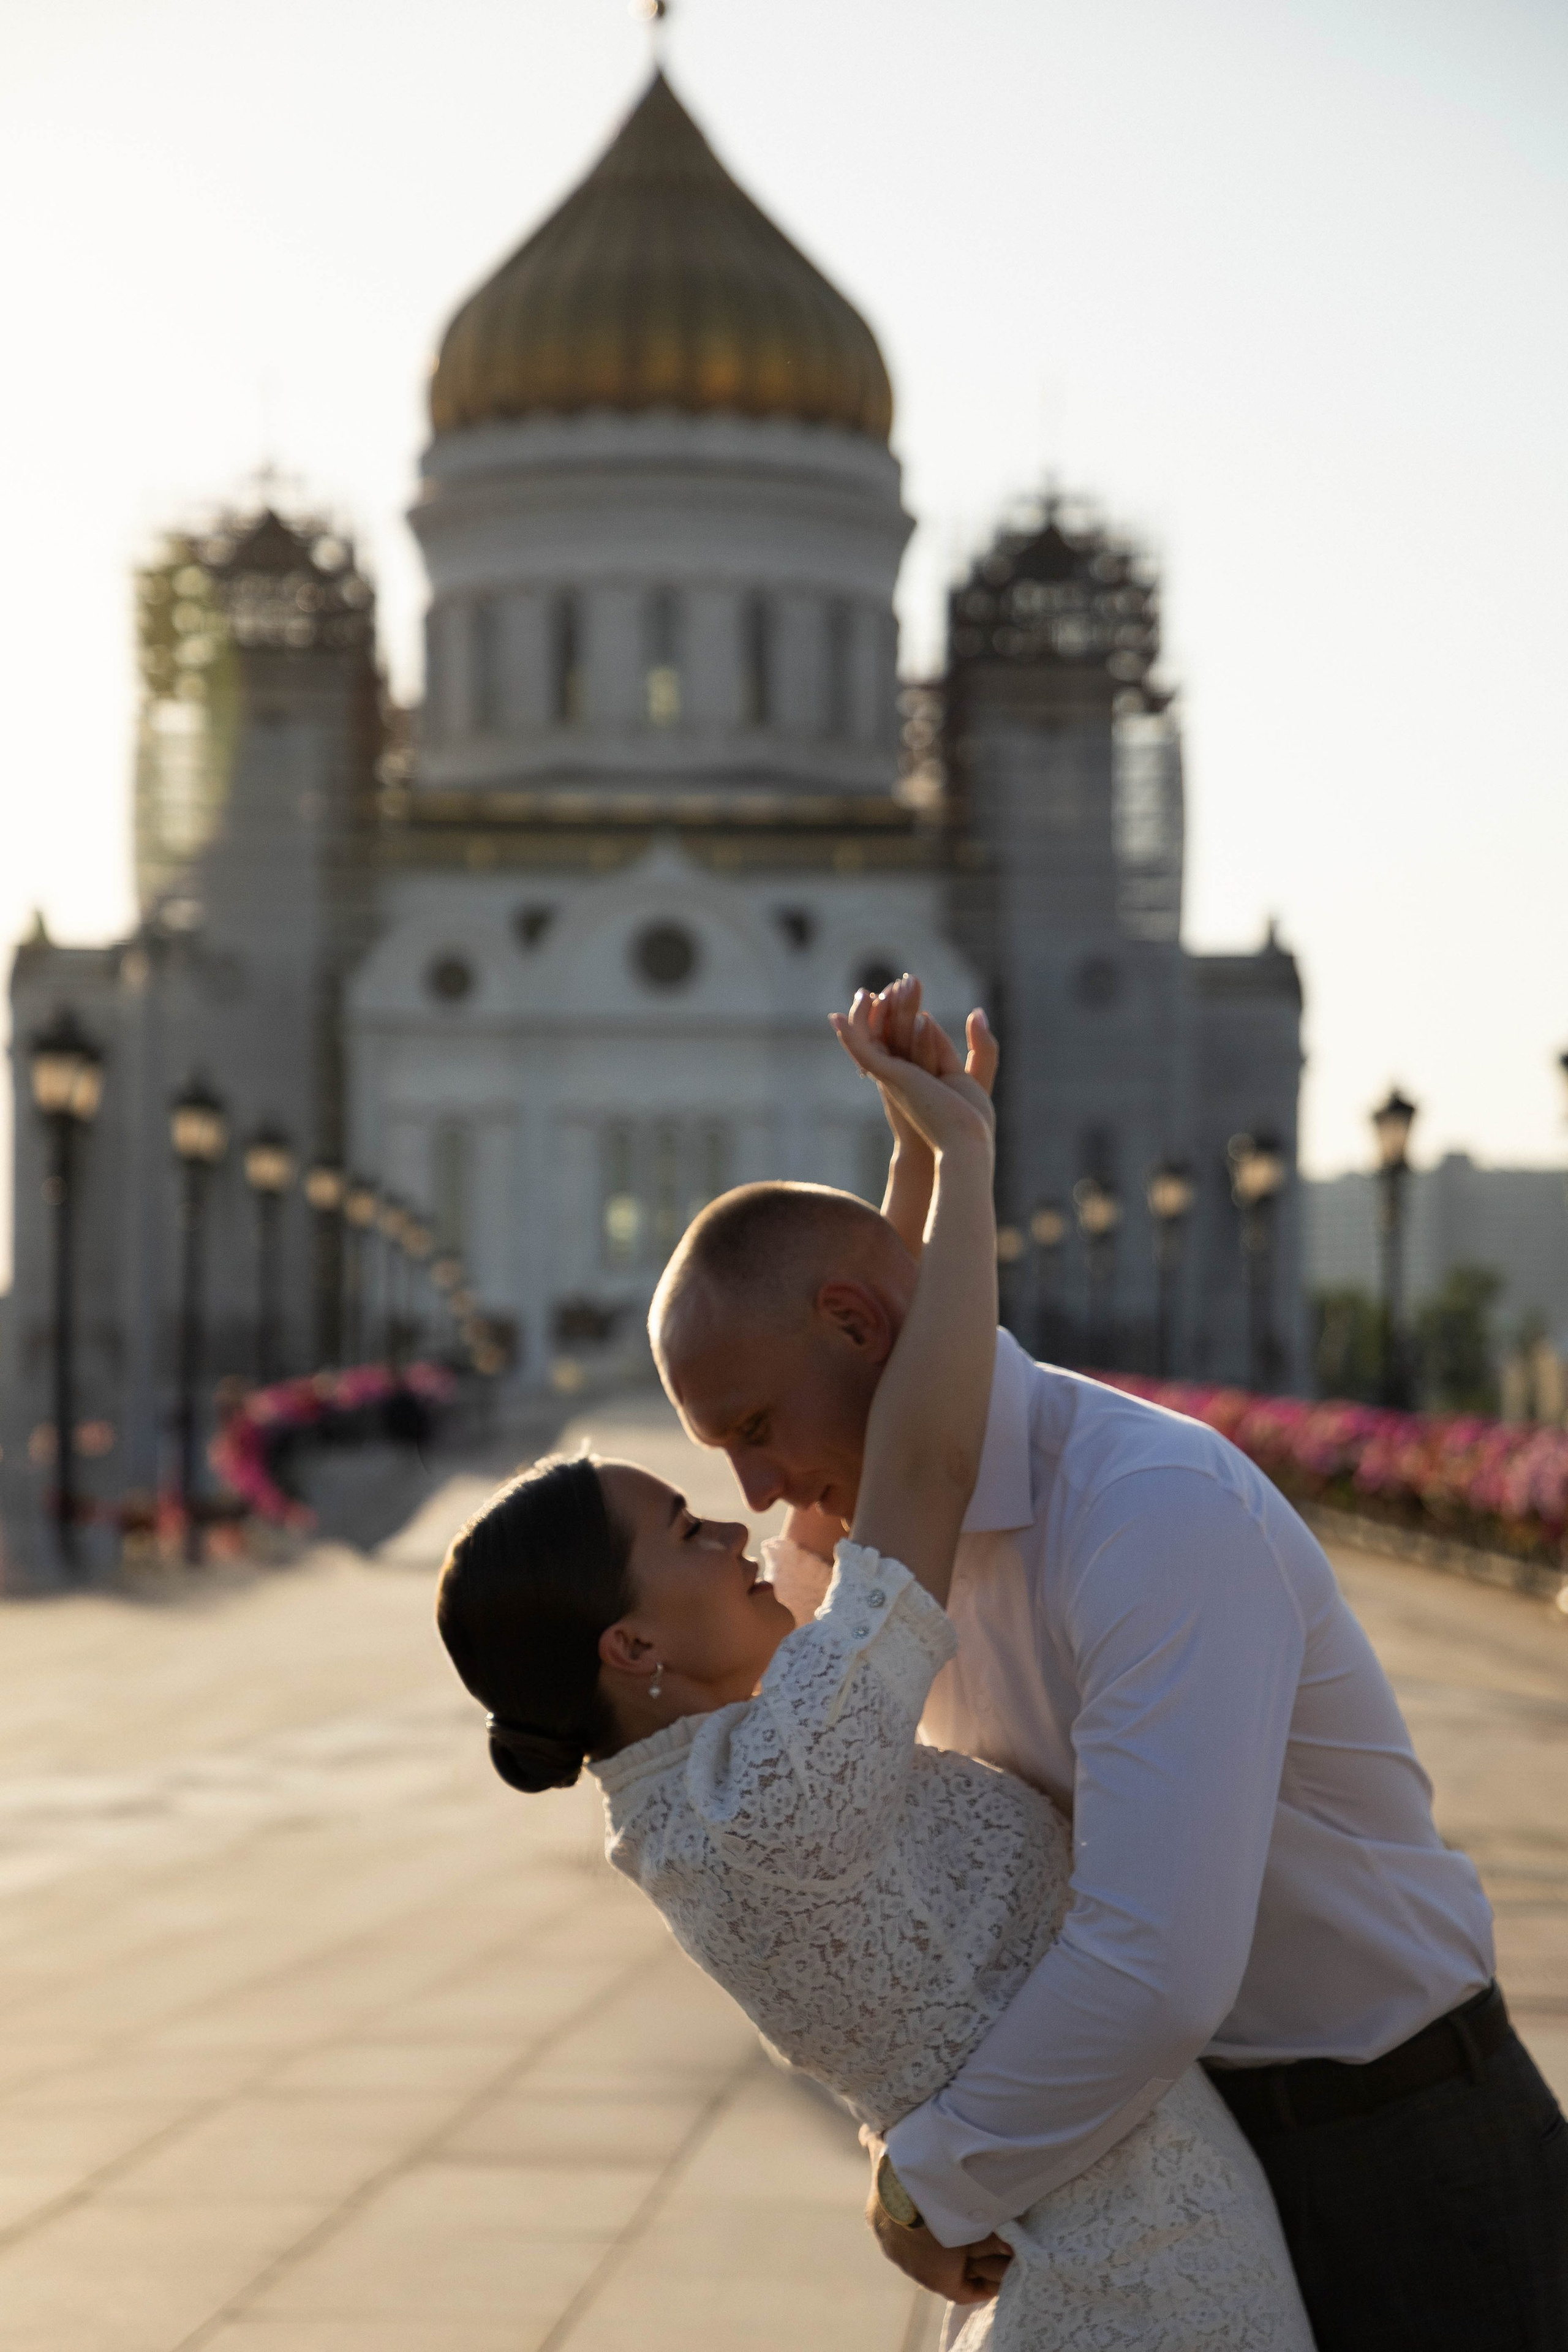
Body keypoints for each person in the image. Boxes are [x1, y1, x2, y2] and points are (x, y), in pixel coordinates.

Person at [647, 975, 1568, 2352]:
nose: (761, 1488)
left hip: (1393, 2156)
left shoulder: (1150, 1514)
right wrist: (924, 1166)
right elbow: (887, 1402)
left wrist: (935, 2175)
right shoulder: (868, 1533)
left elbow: (1153, 1964)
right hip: (1157, 2152)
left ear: (854, 1328)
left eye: (757, 1425)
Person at [436, 989, 1314, 2349]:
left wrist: (901, 1176)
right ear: (632, 1646)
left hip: (1084, 2244)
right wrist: (965, 1158)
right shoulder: (781, 1775)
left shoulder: (703, 1790)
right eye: (685, 1524)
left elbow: (858, 1422)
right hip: (1141, 2268)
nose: (743, 1510)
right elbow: (919, 1461)